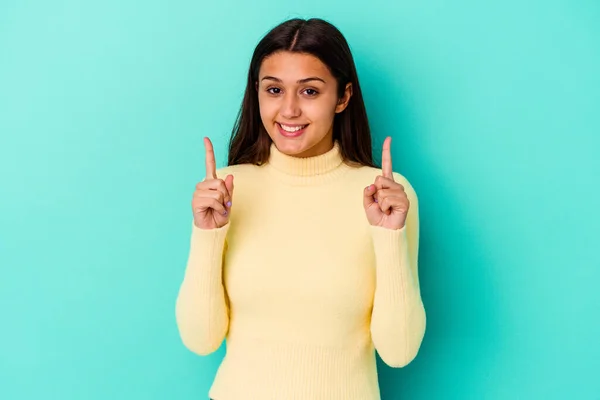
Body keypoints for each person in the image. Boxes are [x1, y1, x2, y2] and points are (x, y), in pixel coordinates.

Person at [175, 17, 426, 400]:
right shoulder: (225, 190)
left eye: (309, 92)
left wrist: (389, 238)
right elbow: (200, 340)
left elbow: (399, 351)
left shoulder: (385, 195)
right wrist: (207, 234)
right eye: (274, 89)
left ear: (343, 98)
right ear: (256, 93)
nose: (289, 110)